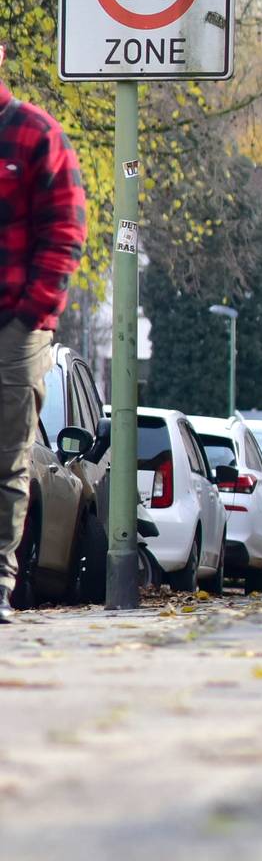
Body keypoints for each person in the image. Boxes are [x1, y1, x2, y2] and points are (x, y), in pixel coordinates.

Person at [0, 45, 87, 621]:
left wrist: (32, 312)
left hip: (15, 324)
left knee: (7, 459)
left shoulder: (34, 133)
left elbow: (66, 227)